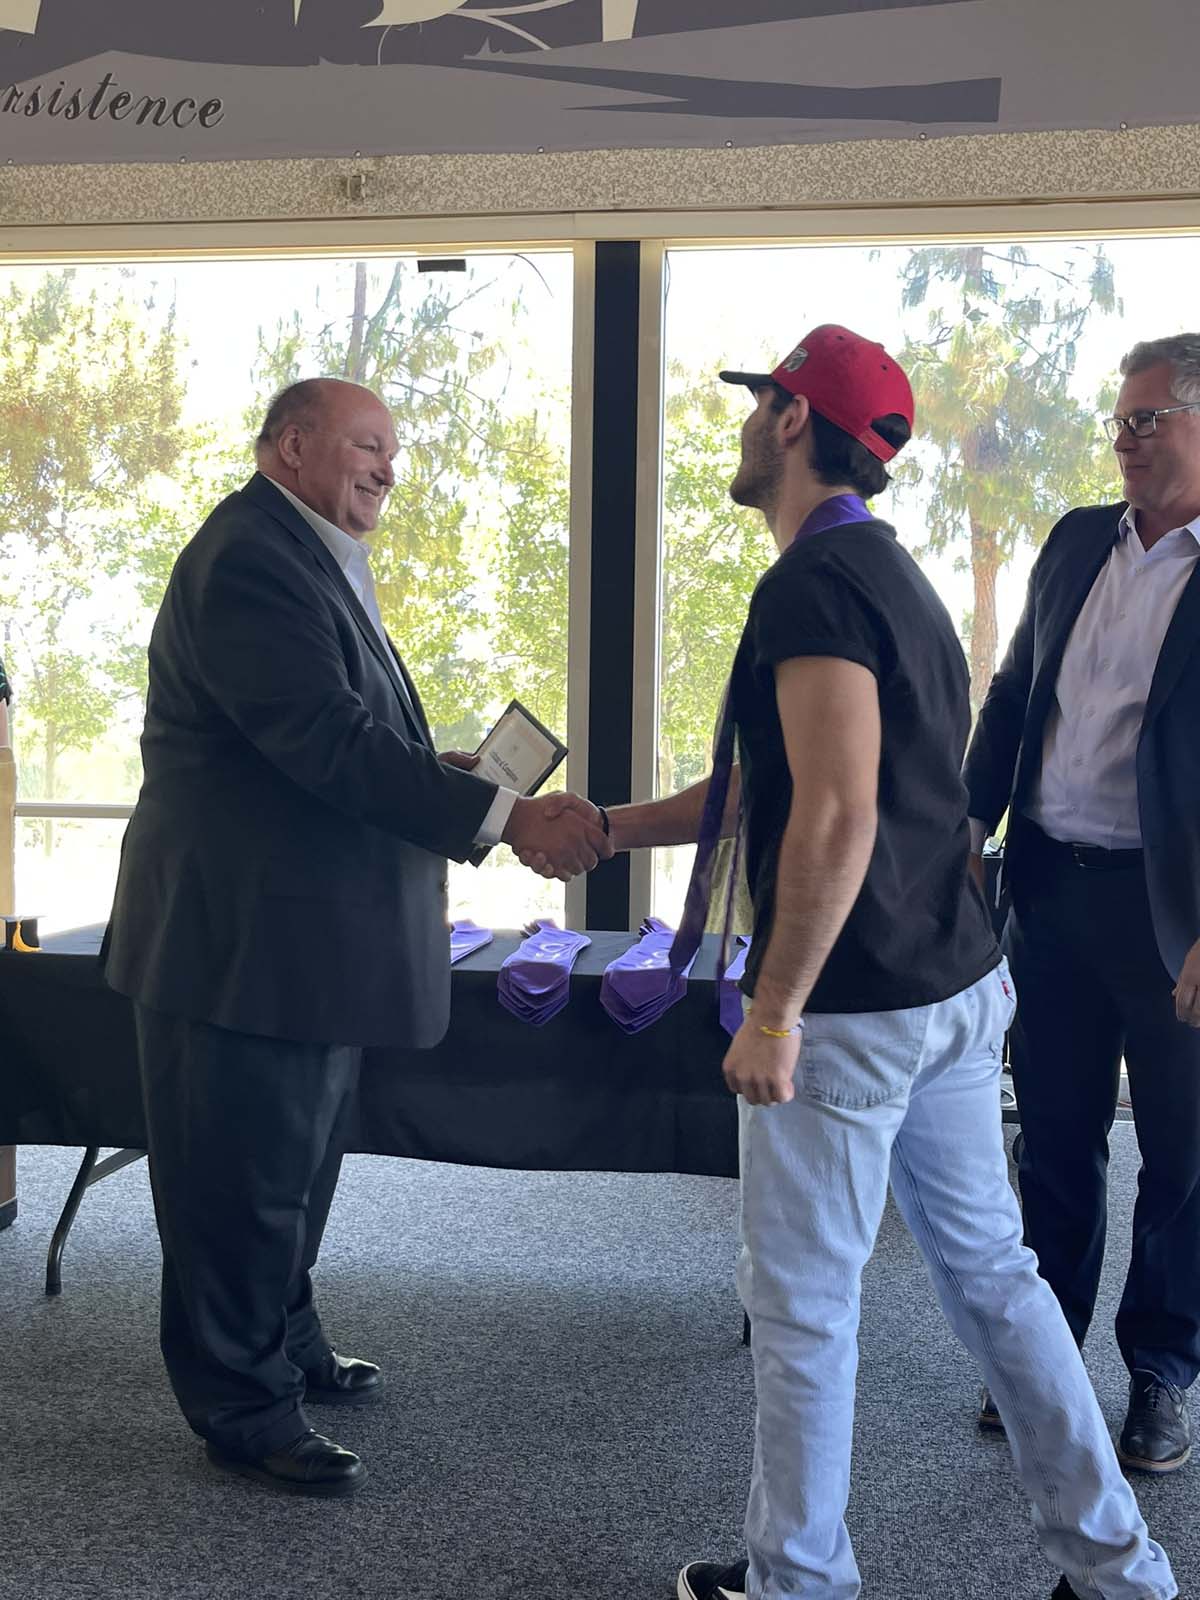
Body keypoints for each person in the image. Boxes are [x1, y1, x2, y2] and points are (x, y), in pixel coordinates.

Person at [529, 326, 1176, 1599]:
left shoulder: (812, 588)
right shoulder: (888, 575)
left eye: (758, 401)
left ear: (790, 420)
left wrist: (774, 1010)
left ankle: (798, 1579)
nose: (744, 424)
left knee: (803, 1304)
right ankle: (1121, 1569)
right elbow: (782, 784)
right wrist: (611, 824)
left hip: (854, 1010)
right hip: (952, 986)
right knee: (997, 1278)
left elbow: (834, 813)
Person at [103, 377, 610, 1497]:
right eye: (367, 445)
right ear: (291, 447)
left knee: (293, 1168)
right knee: (238, 1183)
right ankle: (243, 1408)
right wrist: (506, 815)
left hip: (301, 949)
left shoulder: (306, 555)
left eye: (393, 450)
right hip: (239, 949)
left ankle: (284, 1345)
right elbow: (324, 740)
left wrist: (446, 776)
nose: (388, 467)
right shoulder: (248, 558)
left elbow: (334, 741)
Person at [965, 332, 1200, 1475]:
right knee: (1053, 1137)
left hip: (1174, 916)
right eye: (1119, 419)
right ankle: (1042, 1362)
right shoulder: (1073, 542)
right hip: (1051, 891)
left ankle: (1163, 1370)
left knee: (1183, 1155)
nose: (1124, 438)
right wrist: (966, 829)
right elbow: (1015, 693)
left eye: (1147, 418)